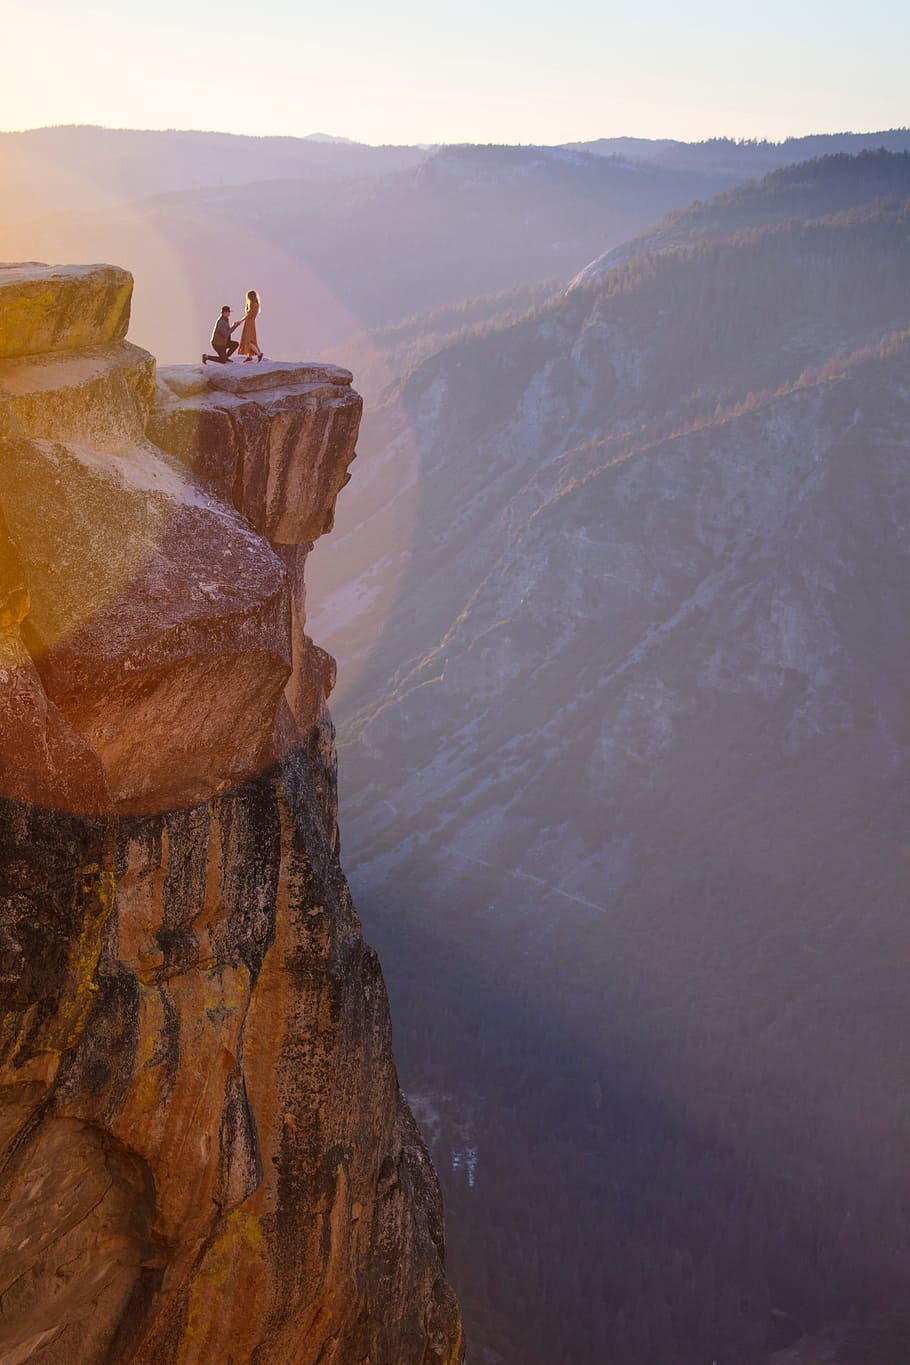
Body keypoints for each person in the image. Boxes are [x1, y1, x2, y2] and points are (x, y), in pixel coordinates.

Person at [238, 290, 263, 362]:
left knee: (248, 341)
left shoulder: (253, 304)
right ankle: (249, 356)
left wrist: (241, 321)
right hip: (251, 323)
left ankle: (259, 354)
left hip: (249, 323)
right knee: (250, 340)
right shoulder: (256, 304)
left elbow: (248, 315)